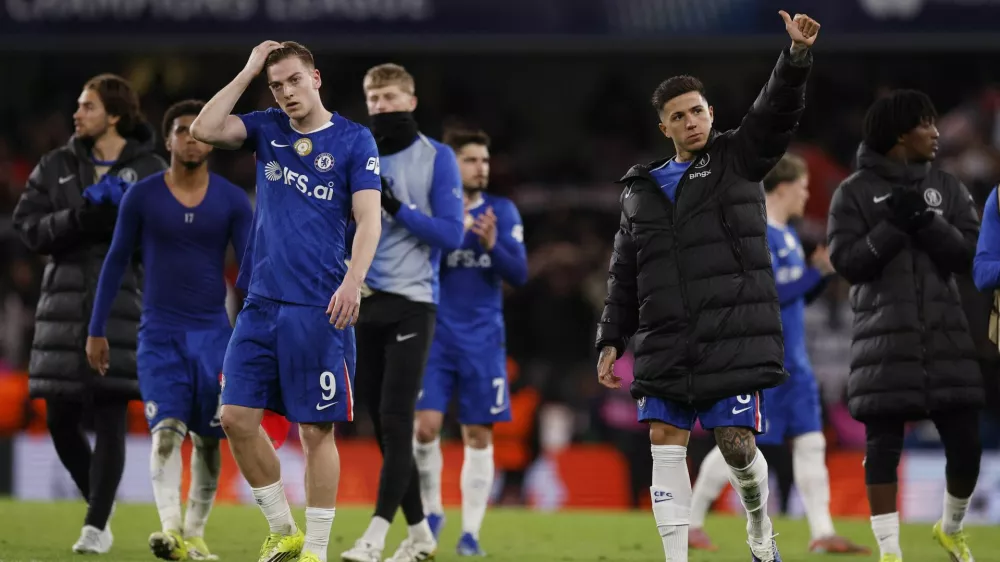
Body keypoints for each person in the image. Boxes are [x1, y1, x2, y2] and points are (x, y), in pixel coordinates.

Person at [595, 11, 820, 562]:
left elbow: (774, 112)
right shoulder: (640, 191)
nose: (691, 121)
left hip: (732, 334)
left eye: (698, 111)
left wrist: (794, 59)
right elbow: (625, 272)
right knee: (664, 445)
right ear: (664, 128)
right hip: (666, 339)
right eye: (679, 116)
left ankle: (760, 531)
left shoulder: (738, 158)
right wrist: (611, 339)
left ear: (711, 114)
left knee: (736, 447)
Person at [190, 40, 383, 562]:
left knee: (316, 431)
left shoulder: (354, 140)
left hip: (320, 306)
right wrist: (250, 68)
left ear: (315, 78)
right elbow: (203, 129)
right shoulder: (267, 128)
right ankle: (283, 530)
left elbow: (369, 218)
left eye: (295, 80)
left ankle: (315, 551)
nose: (287, 93)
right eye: (276, 86)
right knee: (234, 417)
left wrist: (354, 279)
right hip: (260, 303)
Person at [85, 99, 252, 561]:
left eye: (199, 131)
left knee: (210, 439)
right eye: (182, 130)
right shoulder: (142, 197)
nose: (191, 138)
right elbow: (116, 261)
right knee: (166, 431)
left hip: (215, 339)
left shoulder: (232, 200)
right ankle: (171, 529)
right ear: (167, 140)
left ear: (212, 141)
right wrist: (96, 329)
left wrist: (260, 332)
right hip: (159, 336)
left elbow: (251, 271)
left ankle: (195, 535)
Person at [12, 73, 166, 554]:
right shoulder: (56, 164)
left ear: (114, 115)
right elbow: (27, 227)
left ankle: (96, 525)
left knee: (110, 410)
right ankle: (101, 500)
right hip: (62, 306)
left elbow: (169, 235)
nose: (77, 114)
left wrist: (126, 228)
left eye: (88, 106)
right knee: (59, 418)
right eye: (79, 105)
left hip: (122, 302)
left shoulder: (151, 168)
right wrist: (77, 218)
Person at [827, 89, 982, 562]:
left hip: (946, 338)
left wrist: (926, 222)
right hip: (883, 342)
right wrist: (893, 228)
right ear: (899, 134)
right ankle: (890, 551)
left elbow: (970, 258)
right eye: (926, 123)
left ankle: (950, 528)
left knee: (967, 445)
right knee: (883, 448)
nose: (936, 132)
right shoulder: (853, 192)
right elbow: (848, 263)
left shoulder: (948, 187)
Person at [687, 154, 868, 555]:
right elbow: (767, 296)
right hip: (765, 361)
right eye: (803, 187)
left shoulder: (788, 236)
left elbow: (795, 299)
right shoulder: (757, 234)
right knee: (739, 444)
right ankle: (692, 521)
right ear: (783, 188)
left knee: (811, 443)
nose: (807, 194)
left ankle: (822, 532)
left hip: (795, 362)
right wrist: (813, 274)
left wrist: (819, 276)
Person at [340, 63, 464, 562]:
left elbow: (452, 234)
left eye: (390, 97)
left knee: (396, 419)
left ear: (411, 101)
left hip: (413, 303)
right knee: (380, 423)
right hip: (364, 301)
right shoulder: (357, 152)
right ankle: (420, 537)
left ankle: (373, 537)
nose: (381, 106)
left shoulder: (437, 157)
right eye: (373, 99)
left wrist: (397, 209)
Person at [412, 128, 528, 555]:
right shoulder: (433, 211)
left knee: (478, 434)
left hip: (483, 341)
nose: (482, 168)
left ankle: (470, 533)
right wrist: (452, 237)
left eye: (485, 160)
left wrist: (491, 246)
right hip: (436, 339)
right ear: (452, 165)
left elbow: (519, 274)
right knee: (425, 428)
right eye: (472, 160)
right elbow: (417, 267)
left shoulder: (502, 211)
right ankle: (433, 510)